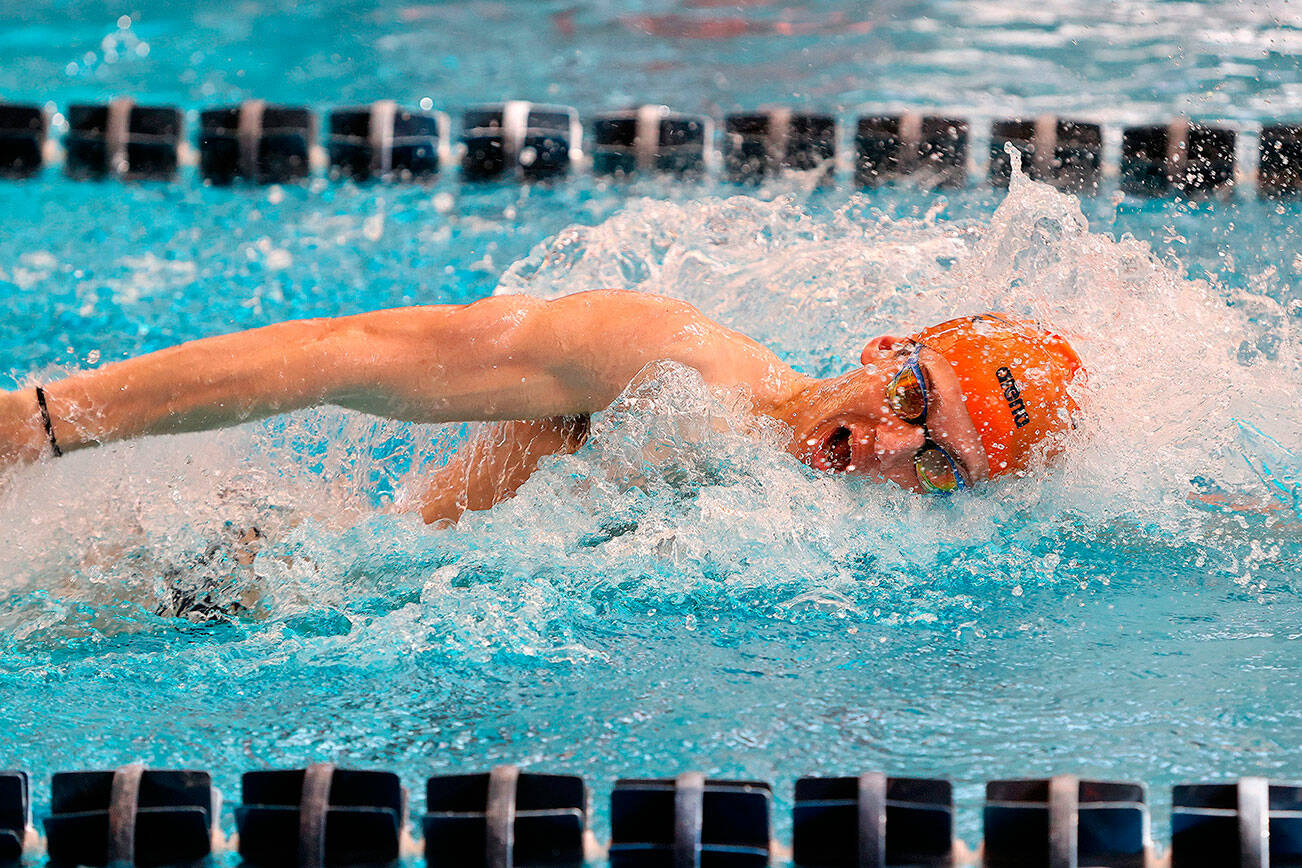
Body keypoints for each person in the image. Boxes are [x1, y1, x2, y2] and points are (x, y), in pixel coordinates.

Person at [0, 290, 1084, 525]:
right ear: (884, 347)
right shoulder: (670, 366)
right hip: (259, 581)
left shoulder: (846, 551)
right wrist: (46, 420)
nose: (888, 446)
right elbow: (351, 352)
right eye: (909, 396)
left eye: (937, 463)